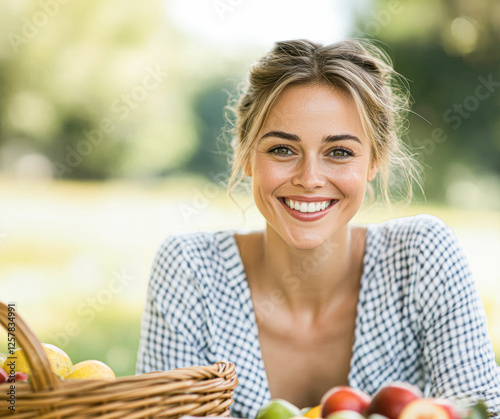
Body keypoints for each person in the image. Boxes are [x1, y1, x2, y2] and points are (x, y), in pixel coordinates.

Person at [136, 39, 500, 418]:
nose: (309, 179)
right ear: (246, 155)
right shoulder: (190, 271)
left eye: (339, 152)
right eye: (282, 149)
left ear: (373, 162)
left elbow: (479, 411)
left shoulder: (422, 256)